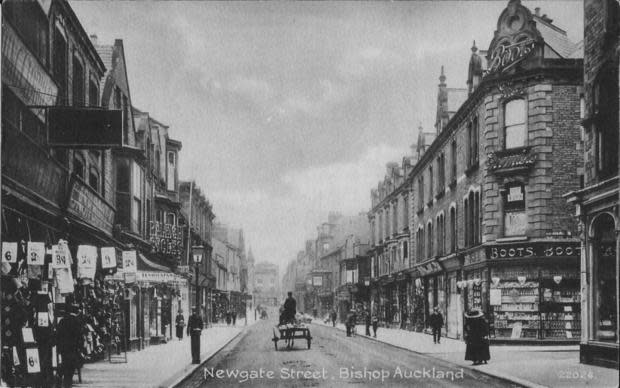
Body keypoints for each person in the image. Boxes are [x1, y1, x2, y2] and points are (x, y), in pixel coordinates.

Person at [57, 304, 82, 388]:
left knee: (64, 364)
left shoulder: (62, 321)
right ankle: (68, 384)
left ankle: (60, 378)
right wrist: (80, 347)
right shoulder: (77, 321)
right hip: (73, 348)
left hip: (64, 348)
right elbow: (79, 336)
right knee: (71, 367)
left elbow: (58, 335)